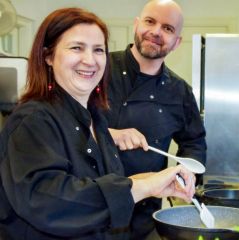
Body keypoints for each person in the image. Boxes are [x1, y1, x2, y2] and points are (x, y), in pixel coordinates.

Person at [0, 8, 195, 240]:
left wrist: (157, 181)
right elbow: (50, 203)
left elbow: (101, 184)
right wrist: (144, 187)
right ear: (48, 56)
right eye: (76, 48)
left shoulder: (95, 119)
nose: (90, 60)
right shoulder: (33, 120)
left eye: (98, 50)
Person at [105, 0, 207, 238]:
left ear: (176, 42)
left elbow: (194, 142)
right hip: (90, 209)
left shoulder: (179, 90)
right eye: (150, 21)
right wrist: (111, 134)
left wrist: (187, 169)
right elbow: (67, 125)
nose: (156, 32)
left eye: (168, 28)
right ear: (137, 24)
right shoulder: (98, 68)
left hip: (143, 215)